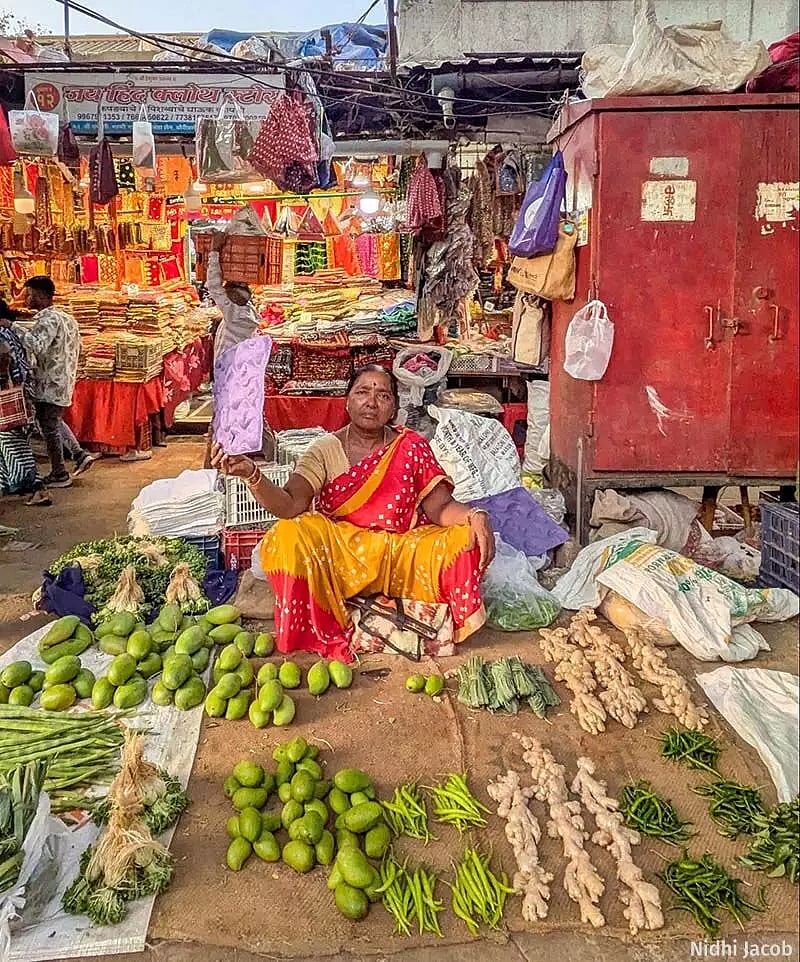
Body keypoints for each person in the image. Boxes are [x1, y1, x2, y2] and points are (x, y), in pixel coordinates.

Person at [213, 365, 496, 661]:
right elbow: (290, 505)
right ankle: (327, 613)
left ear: (394, 408)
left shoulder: (411, 446)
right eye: (362, 392)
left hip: (398, 550)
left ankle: (369, 602)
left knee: (465, 538)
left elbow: (440, 507)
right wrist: (251, 474)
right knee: (289, 534)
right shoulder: (325, 449)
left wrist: (475, 514)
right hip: (342, 557)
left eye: (383, 395)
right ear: (347, 402)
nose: (371, 402)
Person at [0, 276, 92, 487]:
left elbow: (37, 345)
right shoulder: (66, 317)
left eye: (30, 294)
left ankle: (59, 473)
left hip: (49, 381)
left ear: (41, 295)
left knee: (49, 426)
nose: (26, 299)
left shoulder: (48, 319)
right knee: (53, 421)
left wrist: (13, 327)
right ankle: (79, 454)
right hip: (62, 378)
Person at [0, 303, 49, 506]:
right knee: (10, 442)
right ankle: (12, 485)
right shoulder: (9, 332)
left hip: (7, 395)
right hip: (19, 392)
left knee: (12, 442)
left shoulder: (1, 334)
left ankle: (35, 487)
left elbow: (4, 356)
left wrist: (3, 380)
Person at [207, 232, 260, 358]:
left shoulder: (234, 314)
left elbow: (214, 286)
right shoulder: (249, 312)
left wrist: (214, 251)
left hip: (229, 367)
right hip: (240, 364)